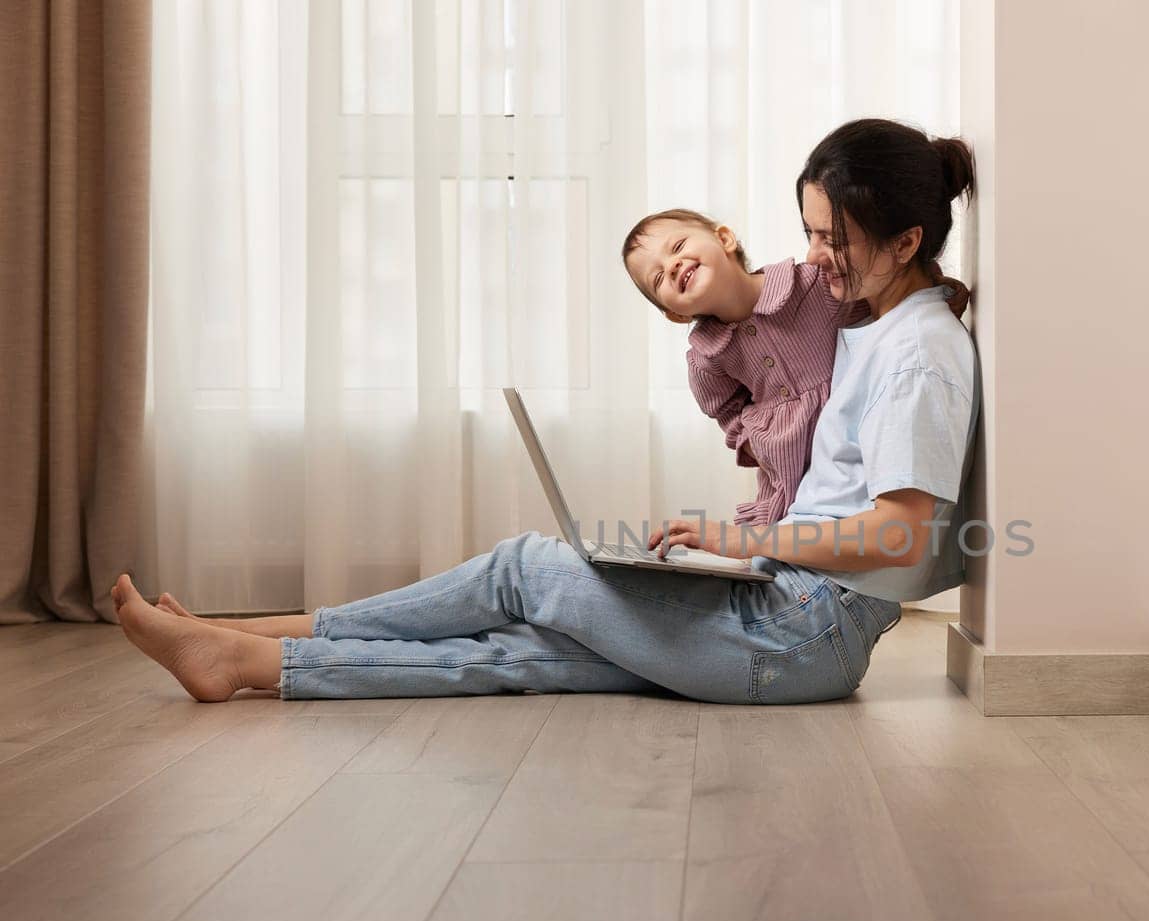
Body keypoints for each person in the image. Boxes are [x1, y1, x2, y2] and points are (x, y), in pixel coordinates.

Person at [115, 118, 980, 706]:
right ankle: (247, 657)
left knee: (523, 571)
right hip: (791, 617)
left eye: (835, 238)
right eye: (812, 230)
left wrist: (735, 539)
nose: (815, 254)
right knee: (524, 652)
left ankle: (247, 632)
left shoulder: (920, 351)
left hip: (805, 632)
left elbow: (897, 536)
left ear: (904, 242)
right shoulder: (879, 321)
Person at [621, 207, 966, 526]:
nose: (673, 266)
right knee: (771, 552)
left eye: (678, 246)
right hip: (785, 480)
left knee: (859, 528)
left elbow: (882, 298)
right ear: (675, 313)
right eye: (659, 278)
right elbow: (727, 413)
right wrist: (757, 442)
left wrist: (935, 288)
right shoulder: (706, 358)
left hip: (850, 454)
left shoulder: (813, 285)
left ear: (724, 238)